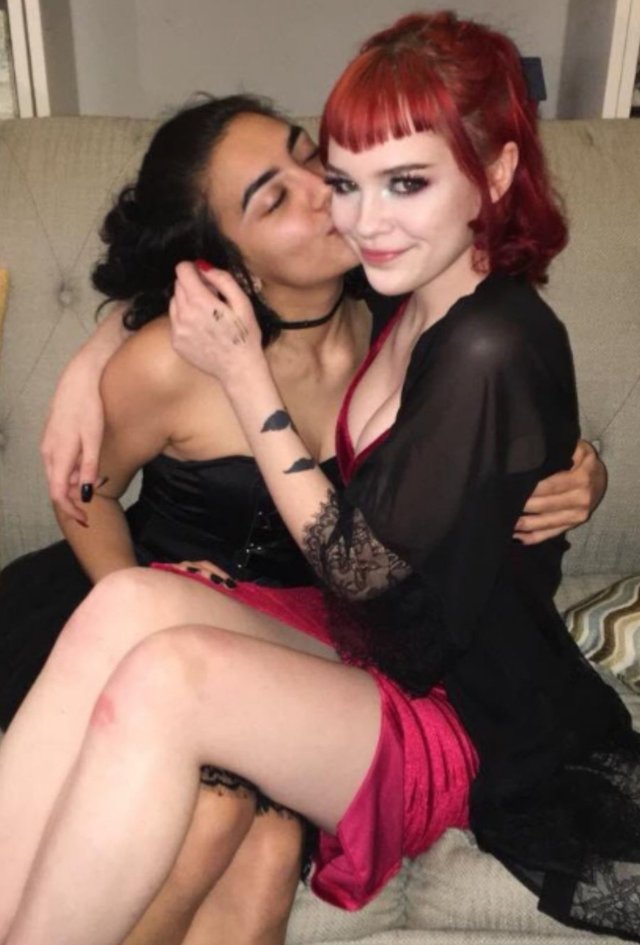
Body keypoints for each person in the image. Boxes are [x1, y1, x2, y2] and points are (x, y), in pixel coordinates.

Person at [0, 14, 635, 939]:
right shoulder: (392, 285)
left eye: (398, 181)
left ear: (493, 176)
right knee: (124, 604)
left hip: (441, 688)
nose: (353, 212)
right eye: (343, 181)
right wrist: (90, 362)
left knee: (176, 696)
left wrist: (579, 469)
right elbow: (162, 296)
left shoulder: (450, 319)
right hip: (337, 635)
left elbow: (395, 602)